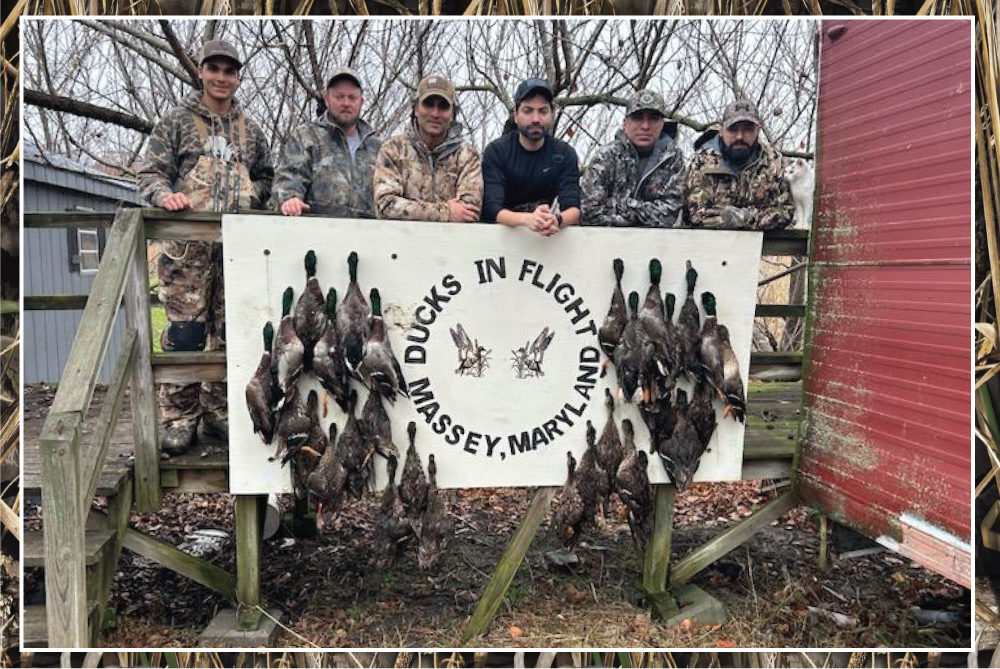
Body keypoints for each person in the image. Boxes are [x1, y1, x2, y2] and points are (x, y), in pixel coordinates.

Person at [137, 39, 273, 455]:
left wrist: (251, 197)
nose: (221, 77)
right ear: (201, 72)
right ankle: (179, 418)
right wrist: (165, 196)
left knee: (231, 331)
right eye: (214, 69)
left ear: (238, 78)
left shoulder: (250, 130)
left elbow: (267, 177)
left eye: (229, 71)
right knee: (185, 333)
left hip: (235, 247)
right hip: (188, 251)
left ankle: (217, 412)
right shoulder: (176, 122)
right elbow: (150, 173)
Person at [272, 67, 381, 217]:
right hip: (317, 229)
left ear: (361, 102)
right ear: (327, 99)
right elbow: (288, 181)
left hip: (370, 229)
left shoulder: (378, 146)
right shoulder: (305, 136)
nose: (346, 103)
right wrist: (291, 199)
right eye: (339, 97)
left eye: (352, 97)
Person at [373, 74, 483, 221]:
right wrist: (445, 213)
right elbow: (385, 205)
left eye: (443, 107)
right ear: (415, 109)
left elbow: (469, 211)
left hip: (453, 236)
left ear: (452, 114)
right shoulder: (393, 149)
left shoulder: (467, 155)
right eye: (428, 104)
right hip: (401, 235)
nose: (435, 113)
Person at [481, 78, 581, 237]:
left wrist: (556, 220)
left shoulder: (565, 154)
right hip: (499, 238)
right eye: (528, 111)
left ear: (552, 114)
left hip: (545, 238)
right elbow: (492, 209)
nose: (536, 119)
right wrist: (526, 219)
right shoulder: (496, 151)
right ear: (516, 115)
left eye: (543, 111)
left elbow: (574, 209)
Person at [685, 98, 795, 230]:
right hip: (710, 240)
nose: (740, 136)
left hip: (761, 242)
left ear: (758, 130)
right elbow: (696, 215)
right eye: (732, 129)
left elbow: (785, 211)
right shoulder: (702, 162)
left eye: (748, 129)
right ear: (721, 131)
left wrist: (743, 217)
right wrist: (760, 217)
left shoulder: (774, 162)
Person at [581, 89, 685, 227]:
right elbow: (589, 211)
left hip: (656, 239)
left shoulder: (672, 160)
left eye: (653, 119)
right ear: (625, 124)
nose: (645, 126)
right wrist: (640, 213)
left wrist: (622, 205)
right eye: (637, 118)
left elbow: (667, 215)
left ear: (662, 123)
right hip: (607, 237)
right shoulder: (606, 156)